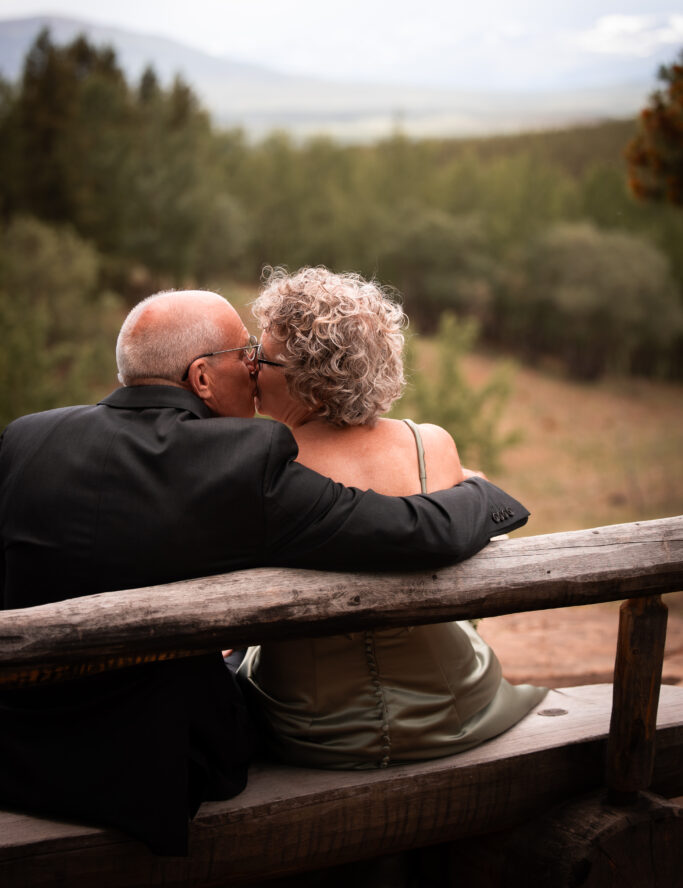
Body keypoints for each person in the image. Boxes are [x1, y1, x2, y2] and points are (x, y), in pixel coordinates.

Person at [0, 289, 529, 855]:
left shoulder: (25, 437)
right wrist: (483, 493)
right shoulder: (236, 464)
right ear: (201, 379)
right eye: (245, 356)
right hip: (151, 772)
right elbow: (417, 531)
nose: (254, 370)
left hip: (14, 751)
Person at [241, 267, 546, 769]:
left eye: (263, 356)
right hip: (457, 707)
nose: (251, 366)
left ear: (311, 386)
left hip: (312, 726)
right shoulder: (432, 445)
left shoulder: (261, 468)